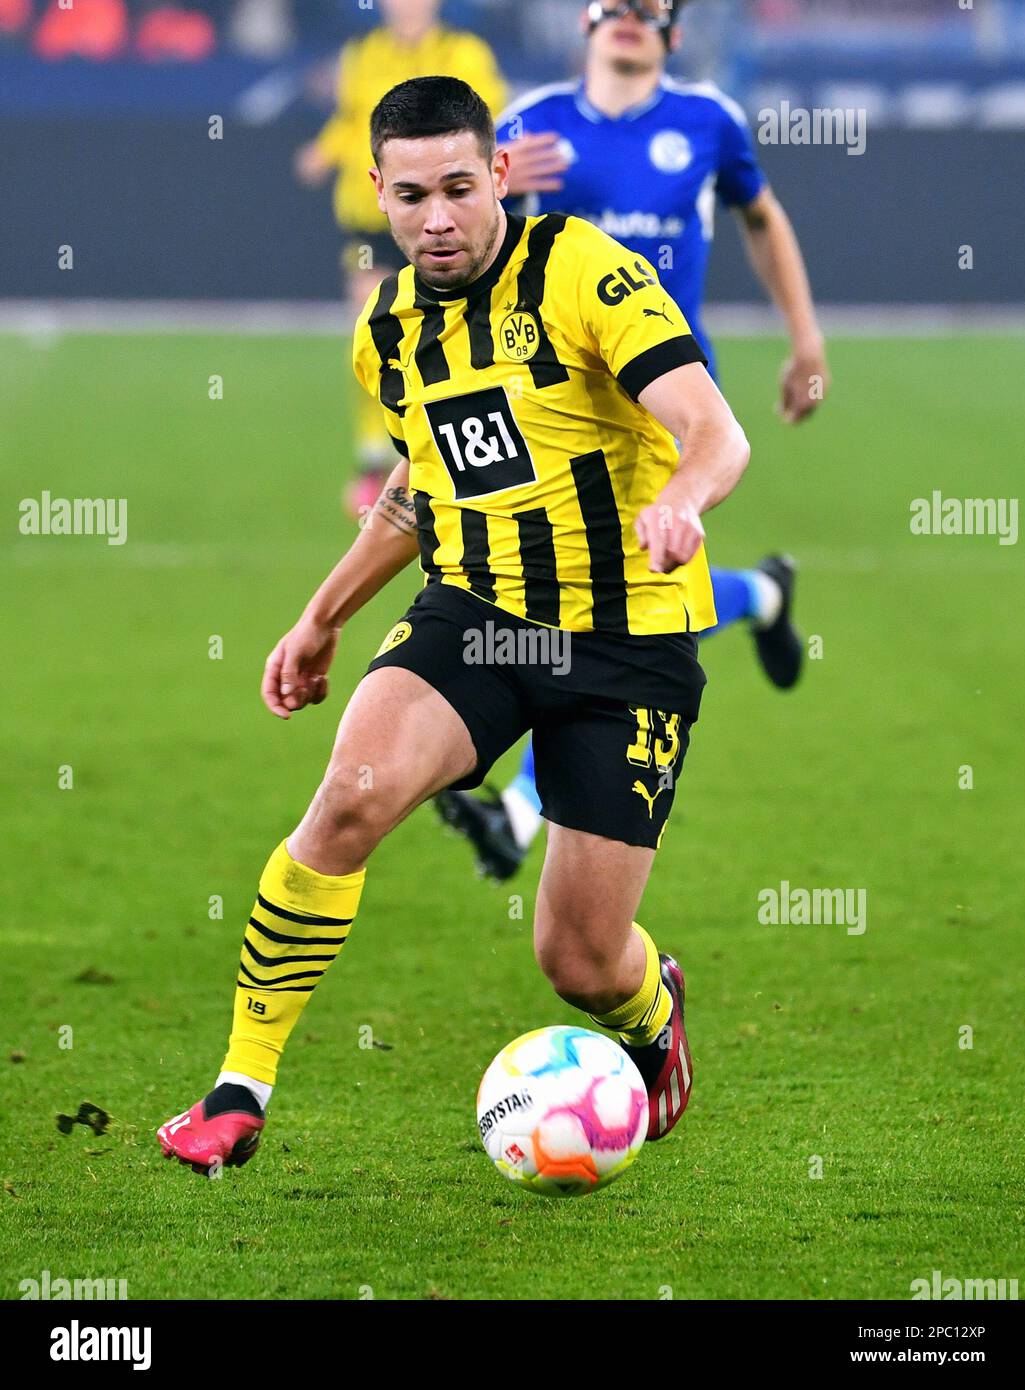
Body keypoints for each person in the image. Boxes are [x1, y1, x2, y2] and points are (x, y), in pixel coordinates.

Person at [157, 75, 750, 1168]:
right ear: (376, 190)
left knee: (576, 960)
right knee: (349, 796)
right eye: (414, 194)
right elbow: (419, 490)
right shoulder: (386, 332)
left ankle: (650, 1010)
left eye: (463, 189)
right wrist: (322, 614)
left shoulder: (584, 271)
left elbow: (715, 431)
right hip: (477, 617)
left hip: (623, 646)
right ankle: (239, 1085)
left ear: (503, 177)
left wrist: (681, 498)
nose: (439, 218)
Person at [435, 0, 830, 880]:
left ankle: (515, 810)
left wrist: (804, 340)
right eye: (609, 1)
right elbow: (463, 235)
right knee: (624, 596)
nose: (625, 15)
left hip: (663, 393)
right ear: (583, 22)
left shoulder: (706, 122)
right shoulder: (525, 125)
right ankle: (762, 596)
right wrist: (491, 182)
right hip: (554, 396)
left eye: (647, 6)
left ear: (674, 32)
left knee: (614, 597)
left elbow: (760, 219)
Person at [295, 0, 506, 517]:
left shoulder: (465, 53)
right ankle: (374, 460)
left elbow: (490, 122)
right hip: (374, 212)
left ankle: (462, 449)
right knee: (373, 323)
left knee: (456, 326)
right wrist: (324, 150)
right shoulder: (361, 54)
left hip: (443, 210)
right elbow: (352, 123)